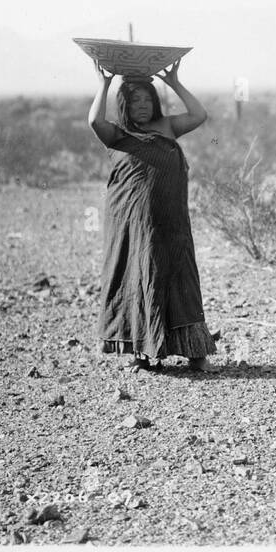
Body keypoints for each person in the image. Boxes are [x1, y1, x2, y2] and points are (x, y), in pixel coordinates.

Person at [88, 58, 216, 373]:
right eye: (135, 101)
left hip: (170, 220)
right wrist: (104, 84)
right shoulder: (117, 135)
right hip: (133, 223)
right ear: (124, 105)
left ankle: (195, 351)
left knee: (179, 275)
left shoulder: (168, 126)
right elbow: (94, 120)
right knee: (136, 276)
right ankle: (141, 352)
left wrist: (173, 82)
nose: (143, 106)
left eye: (148, 99)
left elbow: (199, 114)